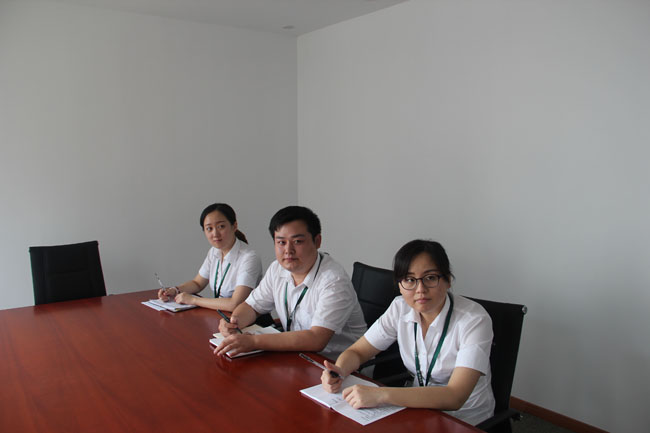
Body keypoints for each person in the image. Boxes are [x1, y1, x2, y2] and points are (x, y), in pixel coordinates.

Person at [320, 240, 495, 426]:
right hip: (418, 411)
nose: (420, 290)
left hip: (464, 420)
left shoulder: (474, 320)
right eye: (410, 280)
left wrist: (381, 395)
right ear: (400, 284)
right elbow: (358, 351)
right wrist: (340, 370)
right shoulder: (400, 308)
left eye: (430, 278)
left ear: (448, 280)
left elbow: (455, 396)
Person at [214, 206, 367, 359]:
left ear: (317, 241)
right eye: (281, 242)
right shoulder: (277, 269)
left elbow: (316, 339)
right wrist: (234, 322)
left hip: (337, 365)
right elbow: (252, 306)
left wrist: (254, 341)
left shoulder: (334, 282)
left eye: (297, 241)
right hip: (297, 356)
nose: (288, 250)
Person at [157, 203, 262, 312]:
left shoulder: (249, 258)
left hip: (249, 319)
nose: (215, 233)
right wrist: (175, 290)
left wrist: (194, 300)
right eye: (209, 228)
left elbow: (235, 304)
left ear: (234, 226)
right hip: (223, 315)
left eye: (221, 226)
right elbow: (197, 283)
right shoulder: (214, 252)